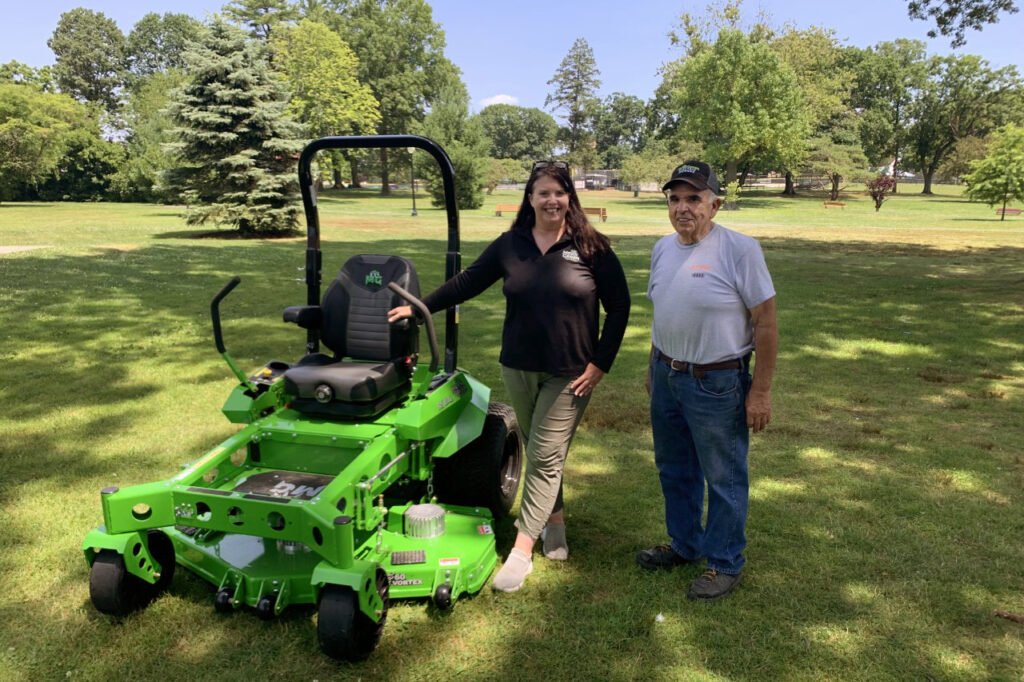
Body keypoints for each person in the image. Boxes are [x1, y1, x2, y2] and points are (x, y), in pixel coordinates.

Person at [388, 160, 631, 592]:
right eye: (543, 193)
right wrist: (419, 306)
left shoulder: (591, 247)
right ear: (531, 198)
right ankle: (554, 520)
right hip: (518, 366)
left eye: (559, 192)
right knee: (544, 451)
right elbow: (467, 282)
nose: (552, 200)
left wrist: (600, 364)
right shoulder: (511, 244)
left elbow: (620, 307)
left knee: (544, 453)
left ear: (569, 198)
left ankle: (521, 551)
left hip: (571, 373)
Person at [636, 161, 777, 600]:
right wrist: (652, 365)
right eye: (674, 198)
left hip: (717, 383)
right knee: (674, 469)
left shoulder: (740, 250)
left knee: (723, 477)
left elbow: (766, 322)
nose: (683, 207)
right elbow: (664, 312)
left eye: (693, 198)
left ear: (715, 204)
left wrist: (761, 390)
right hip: (667, 375)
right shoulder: (662, 248)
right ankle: (684, 544)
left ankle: (724, 561)